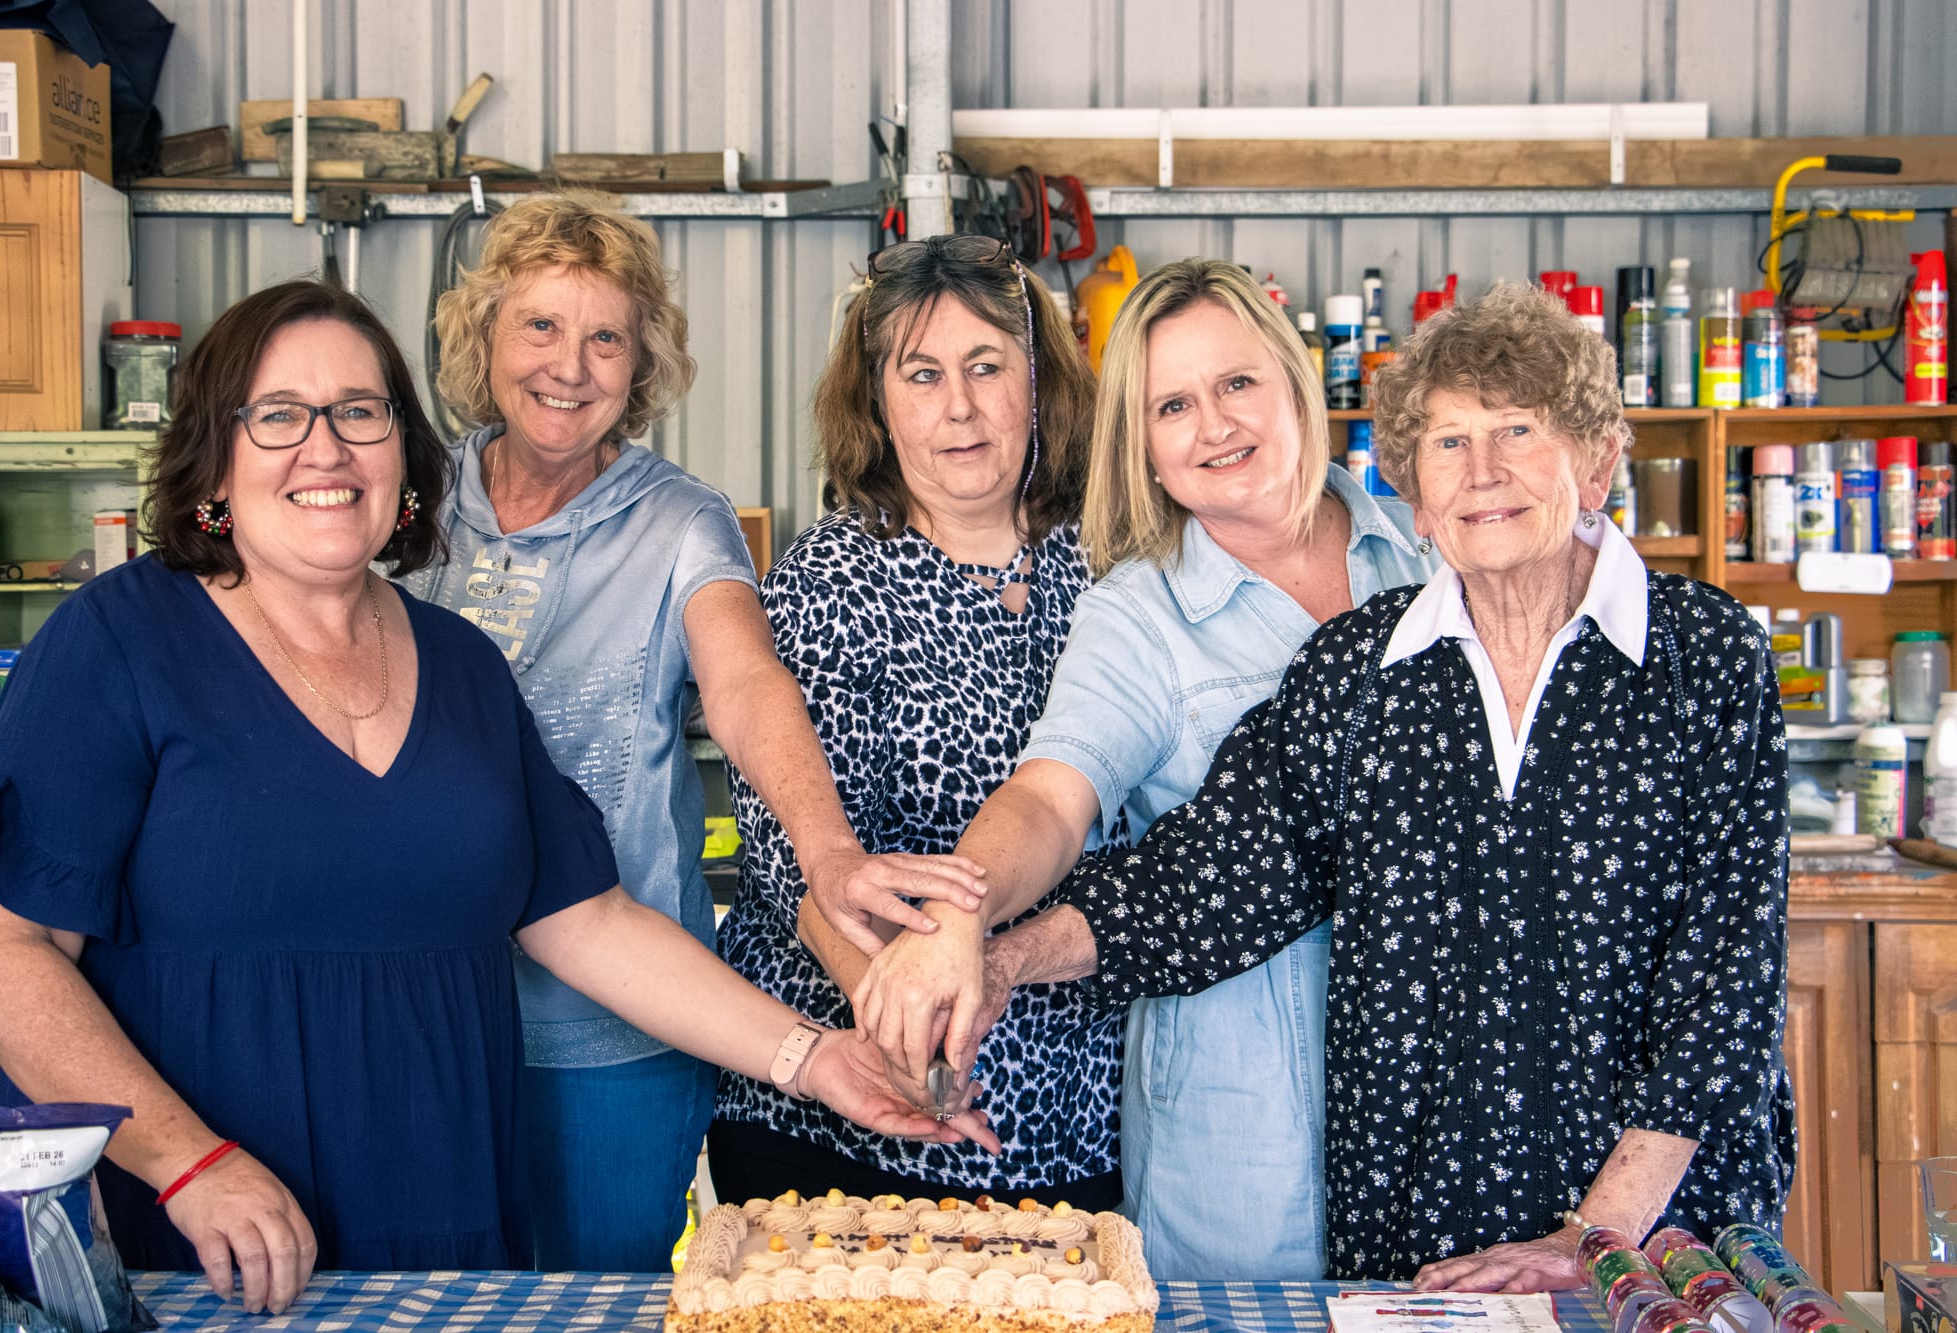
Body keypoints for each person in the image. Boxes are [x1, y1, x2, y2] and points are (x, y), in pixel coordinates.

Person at [0, 281, 996, 1314]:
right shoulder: (120, 642)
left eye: (359, 413)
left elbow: (583, 919)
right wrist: (186, 1163)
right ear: (212, 461)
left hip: (438, 1204)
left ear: (403, 458)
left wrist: (814, 1062)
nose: (324, 447)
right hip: (198, 1234)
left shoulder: (457, 667)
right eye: (277, 415)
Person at [913, 281, 1794, 1286]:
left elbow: (1725, 979)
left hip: (1647, 1237)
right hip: (1420, 1225)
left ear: (1595, 460)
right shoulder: (1360, 668)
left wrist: (1587, 1238)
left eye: (1517, 430)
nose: (1484, 472)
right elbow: (1209, 880)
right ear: (1413, 495)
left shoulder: (1703, 657)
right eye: (1449, 445)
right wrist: (1002, 960)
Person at [403, 196, 986, 1271]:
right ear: (482, 336)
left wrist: (828, 852)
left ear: (643, 364)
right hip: (419, 1008)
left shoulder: (679, 519)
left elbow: (744, 677)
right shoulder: (407, 497)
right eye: (539, 326)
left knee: (598, 1295)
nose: (568, 367)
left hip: (614, 1029)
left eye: (604, 338)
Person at [846, 258, 1437, 1278]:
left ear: (1295, 381)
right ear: (1145, 448)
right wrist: (960, 918)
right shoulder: (1138, 613)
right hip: (1243, 1126)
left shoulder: (1433, 555)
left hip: (1443, 1099)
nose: (1213, 425)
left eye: (1236, 383)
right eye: (1172, 404)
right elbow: (1049, 794)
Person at [711, 234, 1123, 1208]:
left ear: (1038, 382)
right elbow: (789, 865)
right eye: (923, 374)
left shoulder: (1111, 568)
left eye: (986, 367)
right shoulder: (832, 578)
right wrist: (900, 1019)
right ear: (876, 402)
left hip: (1075, 1108)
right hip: (847, 1106)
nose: (959, 407)